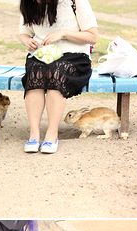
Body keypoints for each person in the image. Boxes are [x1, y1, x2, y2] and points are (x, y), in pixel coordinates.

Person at [19, 0, 98, 154]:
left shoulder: (75, 2)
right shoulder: (28, 3)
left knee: (56, 73)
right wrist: (27, 41)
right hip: (42, 55)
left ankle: (52, 134)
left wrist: (63, 34)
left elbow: (93, 36)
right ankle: (34, 134)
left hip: (74, 56)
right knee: (36, 73)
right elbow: (24, 33)